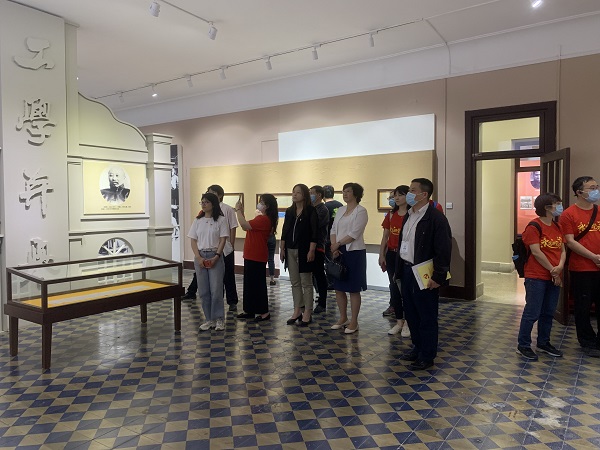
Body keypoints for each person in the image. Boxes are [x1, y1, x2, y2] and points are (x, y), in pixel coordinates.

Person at [395, 178, 452, 371]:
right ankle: (417, 347)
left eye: (412, 190)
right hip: (407, 269)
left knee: (426, 315)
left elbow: (443, 249)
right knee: (411, 313)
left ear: (424, 194)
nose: (409, 194)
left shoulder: (436, 218)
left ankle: (427, 355)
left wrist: (438, 276)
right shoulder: (409, 215)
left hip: (424, 272)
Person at [516, 193, 566, 360]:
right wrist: (553, 270)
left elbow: (562, 250)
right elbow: (536, 252)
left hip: (554, 275)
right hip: (536, 276)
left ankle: (543, 343)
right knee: (532, 312)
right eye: (557, 204)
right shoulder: (534, 227)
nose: (559, 206)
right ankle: (523, 345)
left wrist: (559, 267)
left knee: (548, 312)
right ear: (547, 207)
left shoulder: (557, 226)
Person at [559, 176, 600, 357]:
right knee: (583, 307)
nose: (596, 190)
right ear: (579, 192)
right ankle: (587, 341)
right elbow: (570, 241)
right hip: (582, 268)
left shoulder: (598, 211)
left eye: (596, 187)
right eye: (592, 188)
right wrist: (594, 257)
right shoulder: (569, 214)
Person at [183, 185, 239, 311]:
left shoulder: (227, 210)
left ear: (220, 195)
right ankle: (193, 293)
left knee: (228, 275)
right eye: (208, 193)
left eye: (212, 193)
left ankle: (232, 301)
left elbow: (232, 227)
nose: (204, 203)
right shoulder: (202, 215)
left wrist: (231, 244)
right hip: (205, 249)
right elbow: (196, 233)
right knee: (203, 276)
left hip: (224, 248)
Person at [330, 182, 368, 334]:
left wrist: (337, 244)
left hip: (354, 252)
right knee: (339, 288)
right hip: (338, 251)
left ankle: (354, 321)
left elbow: (355, 233)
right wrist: (334, 246)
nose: (345, 194)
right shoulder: (340, 210)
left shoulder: (361, 211)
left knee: (353, 288)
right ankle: (343, 318)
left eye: (348, 191)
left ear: (356, 194)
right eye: (343, 191)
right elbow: (333, 229)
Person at [187, 193, 229, 331]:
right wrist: (198, 257)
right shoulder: (198, 221)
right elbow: (193, 240)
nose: (203, 204)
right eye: (202, 202)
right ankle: (209, 319)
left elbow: (223, 239)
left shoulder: (221, 220)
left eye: (206, 202)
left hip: (214, 254)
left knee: (216, 289)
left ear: (213, 204)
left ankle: (219, 319)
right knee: (204, 291)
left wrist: (217, 256)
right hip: (200, 255)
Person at [235, 194, 278, 321]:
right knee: (249, 285)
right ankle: (249, 310)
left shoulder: (264, 219)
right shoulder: (260, 218)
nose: (259, 204)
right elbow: (248, 226)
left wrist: (238, 210)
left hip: (257, 255)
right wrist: (241, 212)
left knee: (257, 285)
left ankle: (264, 312)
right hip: (251, 254)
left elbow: (244, 225)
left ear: (267, 206)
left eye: (262, 202)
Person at [281, 184, 318, 326]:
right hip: (290, 249)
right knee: (295, 282)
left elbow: (314, 233)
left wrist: (311, 250)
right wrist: (282, 248)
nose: (295, 195)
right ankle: (297, 309)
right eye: (293, 192)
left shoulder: (310, 211)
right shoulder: (290, 211)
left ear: (304, 195)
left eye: (298, 192)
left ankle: (307, 311)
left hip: (304, 250)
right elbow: (285, 230)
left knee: (306, 282)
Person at [379, 185, 410, 338]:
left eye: (400, 195)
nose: (396, 198)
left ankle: (409, 323)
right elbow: (385, 236)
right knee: (394, 287)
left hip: (406, 255)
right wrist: (381, 254)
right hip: (392, 255)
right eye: (395, 195)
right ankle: (399, 321)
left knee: (407, 289)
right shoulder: (391, 215)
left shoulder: (412, 214)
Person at [310, 185, 330, 313]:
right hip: (307, 246)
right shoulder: (310, 208)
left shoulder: (323, 209)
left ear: (318, 195)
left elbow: (314, 225)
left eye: (312, 193)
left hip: (318, 247)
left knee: (319, 274)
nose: (310, 195)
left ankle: (322, 302)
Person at [323, 185, 343, 289]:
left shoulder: (324, 207)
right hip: (339, 237)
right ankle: (338, 279)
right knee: (337, 261)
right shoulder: (340, 205)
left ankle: (331, 282)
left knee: (328, 261)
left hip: (327, 238)